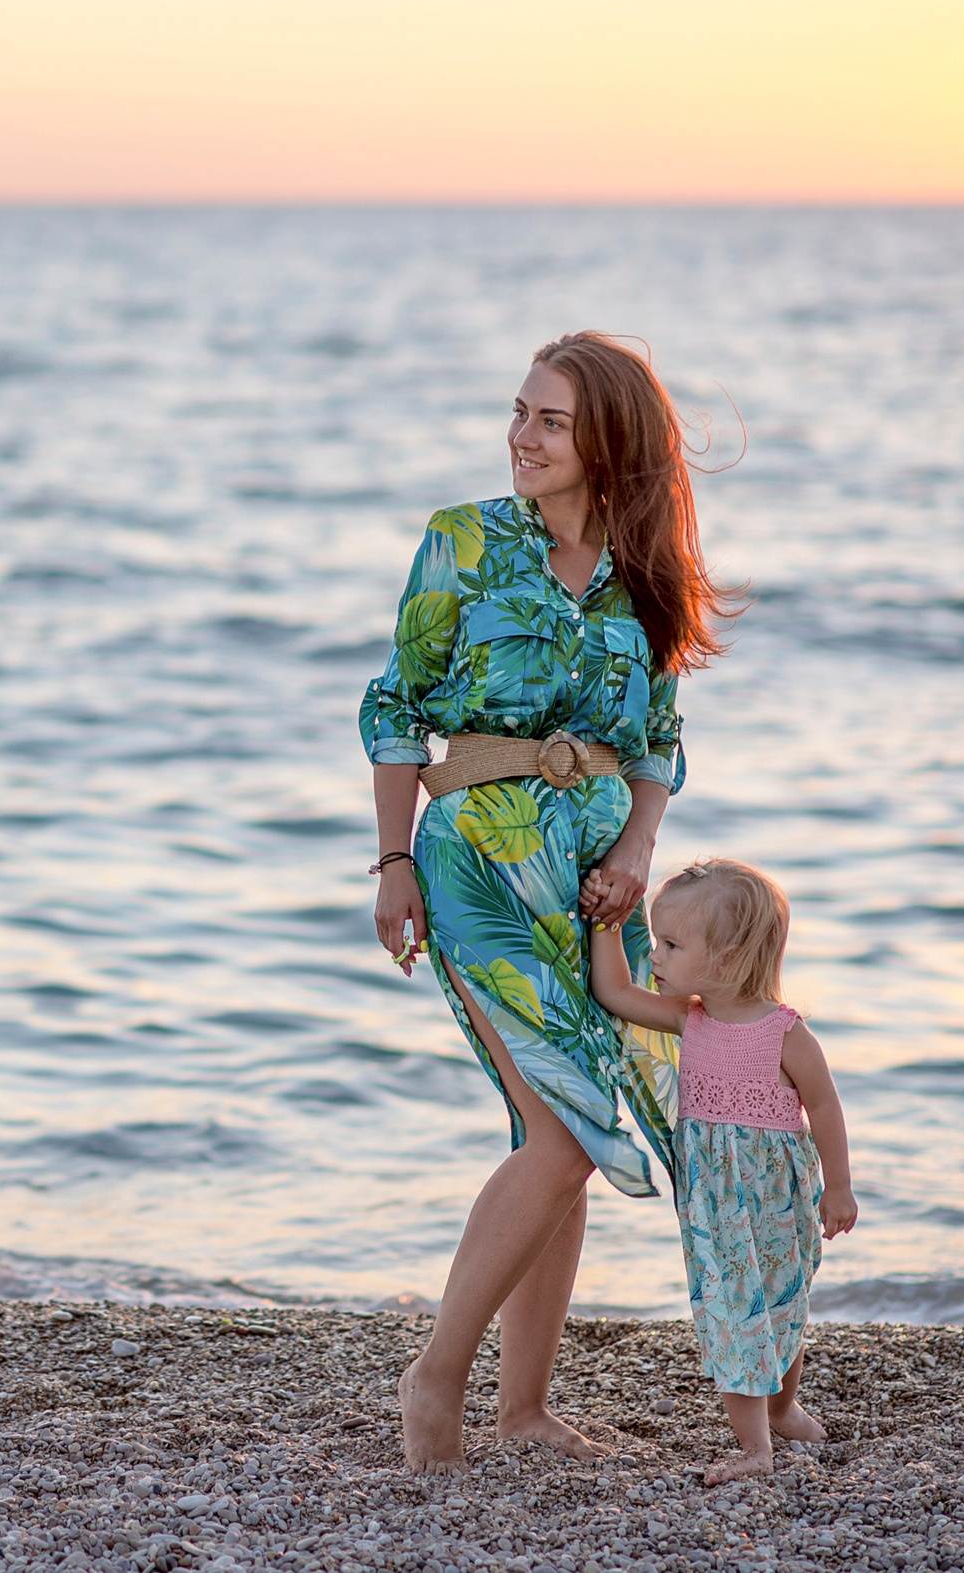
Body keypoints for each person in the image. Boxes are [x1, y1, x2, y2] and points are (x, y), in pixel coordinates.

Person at [361, 331, 736, 1472]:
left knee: (550, 1130)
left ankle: (523, 1407)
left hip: (591, 889)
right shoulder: (462, 542)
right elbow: (393, 709)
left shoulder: (647, 566)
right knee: (569, 1127)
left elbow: (660, 742)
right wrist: (392, 863)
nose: (520, 436)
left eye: (550, 421)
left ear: (611, 440)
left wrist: (635, 851)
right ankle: (436, 1379)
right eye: (518, 413)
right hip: (474, 862)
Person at [587, 859, 858, 1485]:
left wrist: (838, 1186)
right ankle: (755, 1447)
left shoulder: (785, 1034)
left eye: (672, 945)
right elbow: (615, 993)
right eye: (656, 940)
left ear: (730, 956)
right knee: (737, 1311)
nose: (655, 955)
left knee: (783, 1302)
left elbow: (824, 1107)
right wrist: (607, 923)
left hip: (781, 1193)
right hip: (716, 1200)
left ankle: (783, 1410)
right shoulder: (692, 1018)